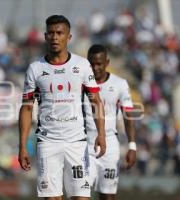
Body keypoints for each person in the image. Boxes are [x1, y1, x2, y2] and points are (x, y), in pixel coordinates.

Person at [18, 15, 106, 200]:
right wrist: (23, 146)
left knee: (81, 197)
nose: (55, 37)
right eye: (51, 33)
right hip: (48, 143)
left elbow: (95, 101)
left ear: (69, 37)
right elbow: (26, 108)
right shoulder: (35, 68)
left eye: (59, 33)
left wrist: (101, 134)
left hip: (77, 142)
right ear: (45, 36)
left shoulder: (82, 66)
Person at [85, 44, 136, 200]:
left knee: (107, 196)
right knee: (80, 193)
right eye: (92, 63)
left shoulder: (120, 84)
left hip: (109, 145)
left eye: (99, 63)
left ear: (107, 63)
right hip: (83, 145)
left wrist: (132, 146)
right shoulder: (80, 84)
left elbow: (128, 117)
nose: (95, 67)